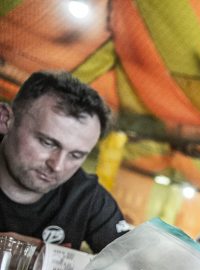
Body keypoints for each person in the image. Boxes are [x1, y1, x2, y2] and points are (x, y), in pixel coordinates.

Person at [0, 70, 129, 252]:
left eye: (75, 155)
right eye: (47, 143)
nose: (57, 166)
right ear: (5, 119)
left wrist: (35, 252)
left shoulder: (88, 198)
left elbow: (130, 263)